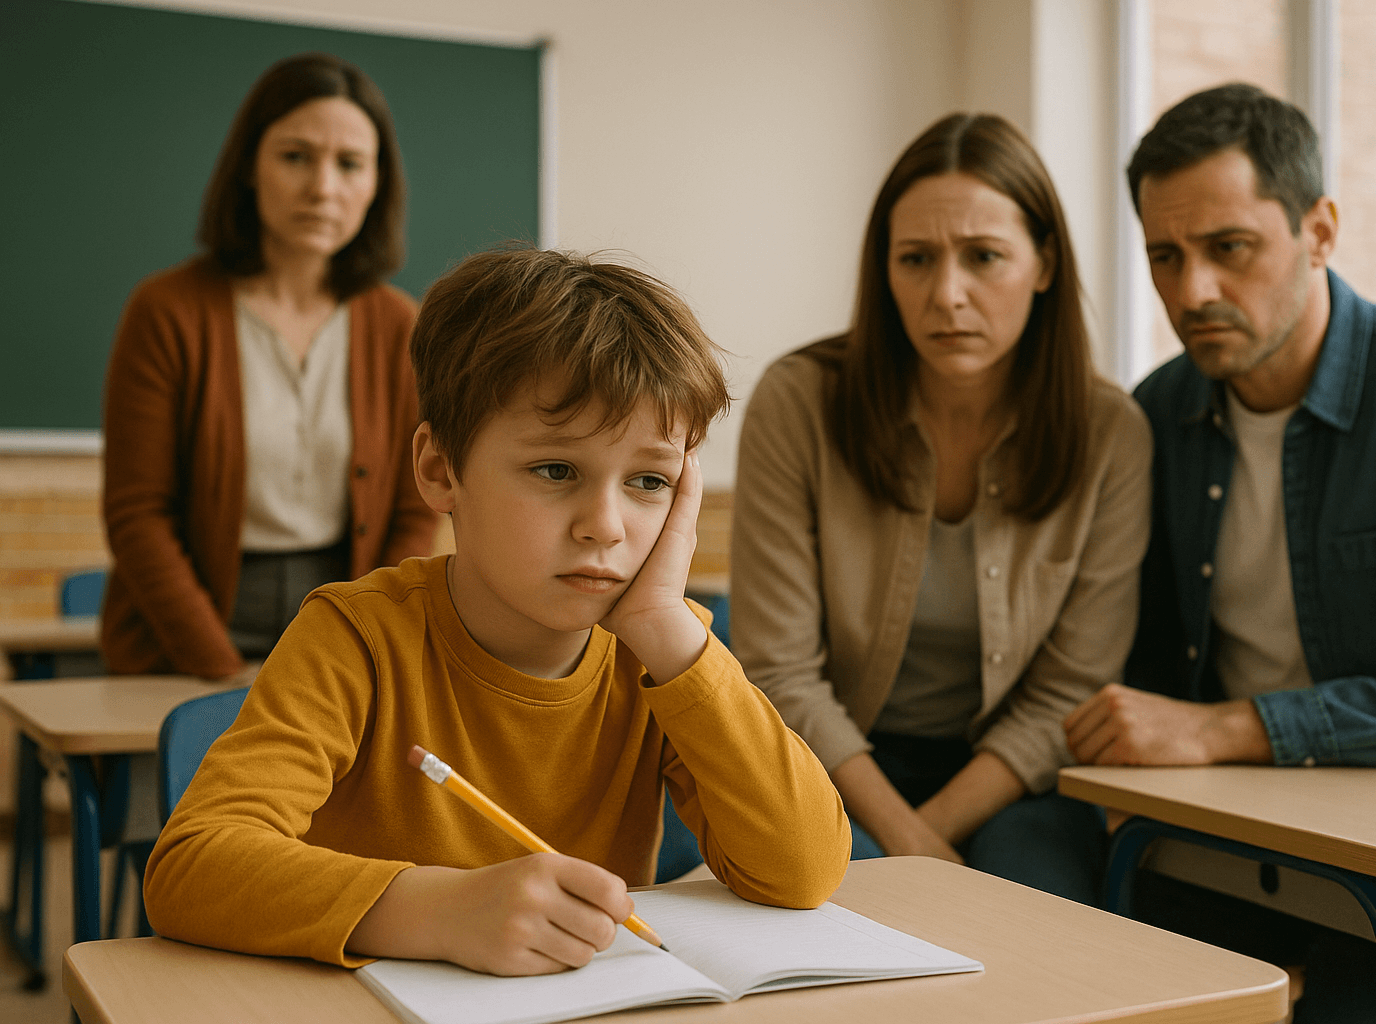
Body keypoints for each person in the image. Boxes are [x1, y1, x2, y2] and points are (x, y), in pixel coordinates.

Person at [142, 246, 851, 974]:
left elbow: (803, 871)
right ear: (439, 470)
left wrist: (669, 629)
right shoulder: (357, 636)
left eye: (649, 481)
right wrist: (438, 912)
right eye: (556, 470)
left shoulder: (662, 653)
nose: (605, 524)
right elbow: (191, 868)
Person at [1063, 82, 1376, 1022]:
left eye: (1229, 248)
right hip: (1241, 837)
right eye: (1166, 256)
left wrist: (1235, 727)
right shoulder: (1157, 415)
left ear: (1319, 231)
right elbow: (1143, 663)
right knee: (1090, 968)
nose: (1192, 291)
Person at [730, 113, 1152, 904]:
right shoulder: (801, 402)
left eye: (984, 257)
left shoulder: (1112, 433)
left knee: (1043, 924)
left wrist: (931, 831)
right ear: (883, 270)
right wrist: (905, 835)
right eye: (916, 259)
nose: (946, 295)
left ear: (1044, 264)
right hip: (826, 759)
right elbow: (781, 671)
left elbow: (1070, 690)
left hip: (1015, 774)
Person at [101, 52, 437, 682]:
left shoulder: (398, 324)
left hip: (342, 615)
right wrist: (221, 671)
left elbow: (415, 510)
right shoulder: (168, 309)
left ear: (377, 183)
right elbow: (138, 515)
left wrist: (361, 646)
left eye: (349, 164)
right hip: (186, 632)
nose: (322, 187)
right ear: (250, 168)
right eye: (295, 157)